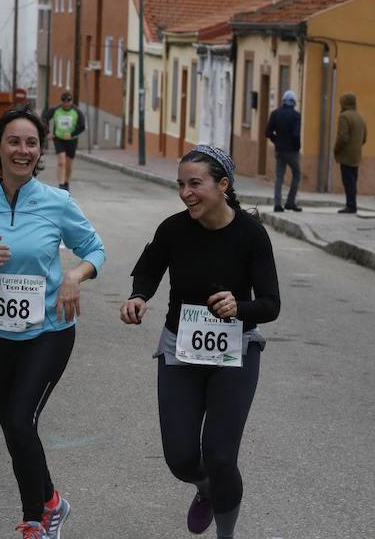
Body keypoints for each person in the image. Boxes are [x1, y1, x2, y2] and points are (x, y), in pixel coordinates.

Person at [0, 108, 105, 539]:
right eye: (14, 142)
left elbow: (95, 250)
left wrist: (74, 276)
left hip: (48, 332)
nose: (23, 150)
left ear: (40, 151)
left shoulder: (57, 203)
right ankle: (46, 506)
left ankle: (39, 515)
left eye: (31, 143)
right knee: (16, 430)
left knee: (19, 422)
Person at [119, 145, 280, 539]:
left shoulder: (251, 234)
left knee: (221, 456)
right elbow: (149, 268)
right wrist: (139, 296)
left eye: (196, 184)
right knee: (181, 459)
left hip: (236, 351)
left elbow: (271, 305)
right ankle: (206, 489)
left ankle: (226, 532)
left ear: (223, 185)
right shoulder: (173, 229)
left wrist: (238, 305)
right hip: (180, 350)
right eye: (181, 184)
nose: (186, 193)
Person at [265, 90, 302, 212]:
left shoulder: (275, 113)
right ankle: (290, 202)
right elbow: (296, 135)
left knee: (279, 177)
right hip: (292, 151)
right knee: (296, 174)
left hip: (279, 150)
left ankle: (277, 204)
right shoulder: (296, 116)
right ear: (294, 102)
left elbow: (268, 132)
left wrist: (277, 141)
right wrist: (297, 147)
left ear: (283, 101)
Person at [41, 92, 86, 192]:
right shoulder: (56, 110)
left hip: (71, 141)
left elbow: (82, 127)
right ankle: (61, 185)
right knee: (61, 162)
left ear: (71, 101)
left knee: (69, 164)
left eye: (68, 101)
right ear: (61, 101)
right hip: (58, 139)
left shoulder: (77, 112)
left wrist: (72, 134)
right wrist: (47, 133)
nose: (66, 103)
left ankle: (66, 183)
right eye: (64, 101)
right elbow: (44, 119)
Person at [333, 92, 367, 213]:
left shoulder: (344, 117)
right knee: (353, 180)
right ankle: (352, 204)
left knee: (348, 181)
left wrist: (336, 149)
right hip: (356, 155)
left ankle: (351, 205)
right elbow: (364, 137)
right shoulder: (360, 117)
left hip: (346, 155)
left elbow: (342, 137)